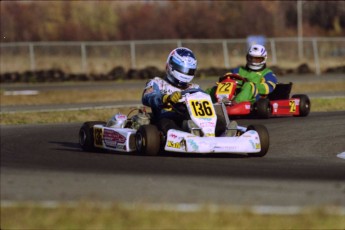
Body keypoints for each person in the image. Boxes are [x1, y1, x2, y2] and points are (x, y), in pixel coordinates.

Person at [142, 47, 204, 135]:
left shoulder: (194, 88)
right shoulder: (158, 83)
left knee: (219, 119)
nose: (185, 73)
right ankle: (187, 136)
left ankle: (224, 133)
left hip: (191, 118)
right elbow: (148, 97)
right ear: (170, 66)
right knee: (165, 122)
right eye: (182, 69)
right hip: (167, 119)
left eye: (188, 71)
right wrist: (165, 98)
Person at [207, 44, 278, 104]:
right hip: (233, 93)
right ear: (247, 57)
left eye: (257, 59)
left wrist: (252, 85)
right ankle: (203, 102)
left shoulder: (267, 73)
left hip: (254, 98)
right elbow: (228, 76)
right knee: (213, 89)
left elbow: (268, 87)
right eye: (251, 58)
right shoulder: (239, 70)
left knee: (249, 86)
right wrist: (225, 79)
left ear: (264, 59)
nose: (253, 61)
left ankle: (234, 104)